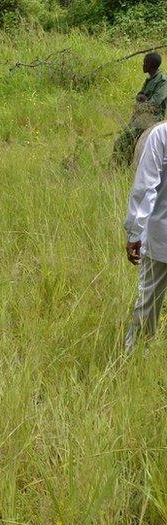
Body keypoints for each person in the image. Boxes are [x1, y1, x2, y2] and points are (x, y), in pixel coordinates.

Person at [124, 121, 167, 351]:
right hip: (160, 238)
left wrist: (134, 232)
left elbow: (145, 188)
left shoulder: (161, 135)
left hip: (160, 238)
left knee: (148, 301)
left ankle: (135, 357)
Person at [114, 52, 167, 164]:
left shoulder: (163, 81)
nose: (143, 65)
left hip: (153, 117)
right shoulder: (150, 80)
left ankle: (118, 165)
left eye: (145, 63)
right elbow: (139, 96)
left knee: (125, 140)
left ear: (151, 65)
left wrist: (144, 100)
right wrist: (143, 99)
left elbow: (155, 103)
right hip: (141, 115)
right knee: (124, 140)